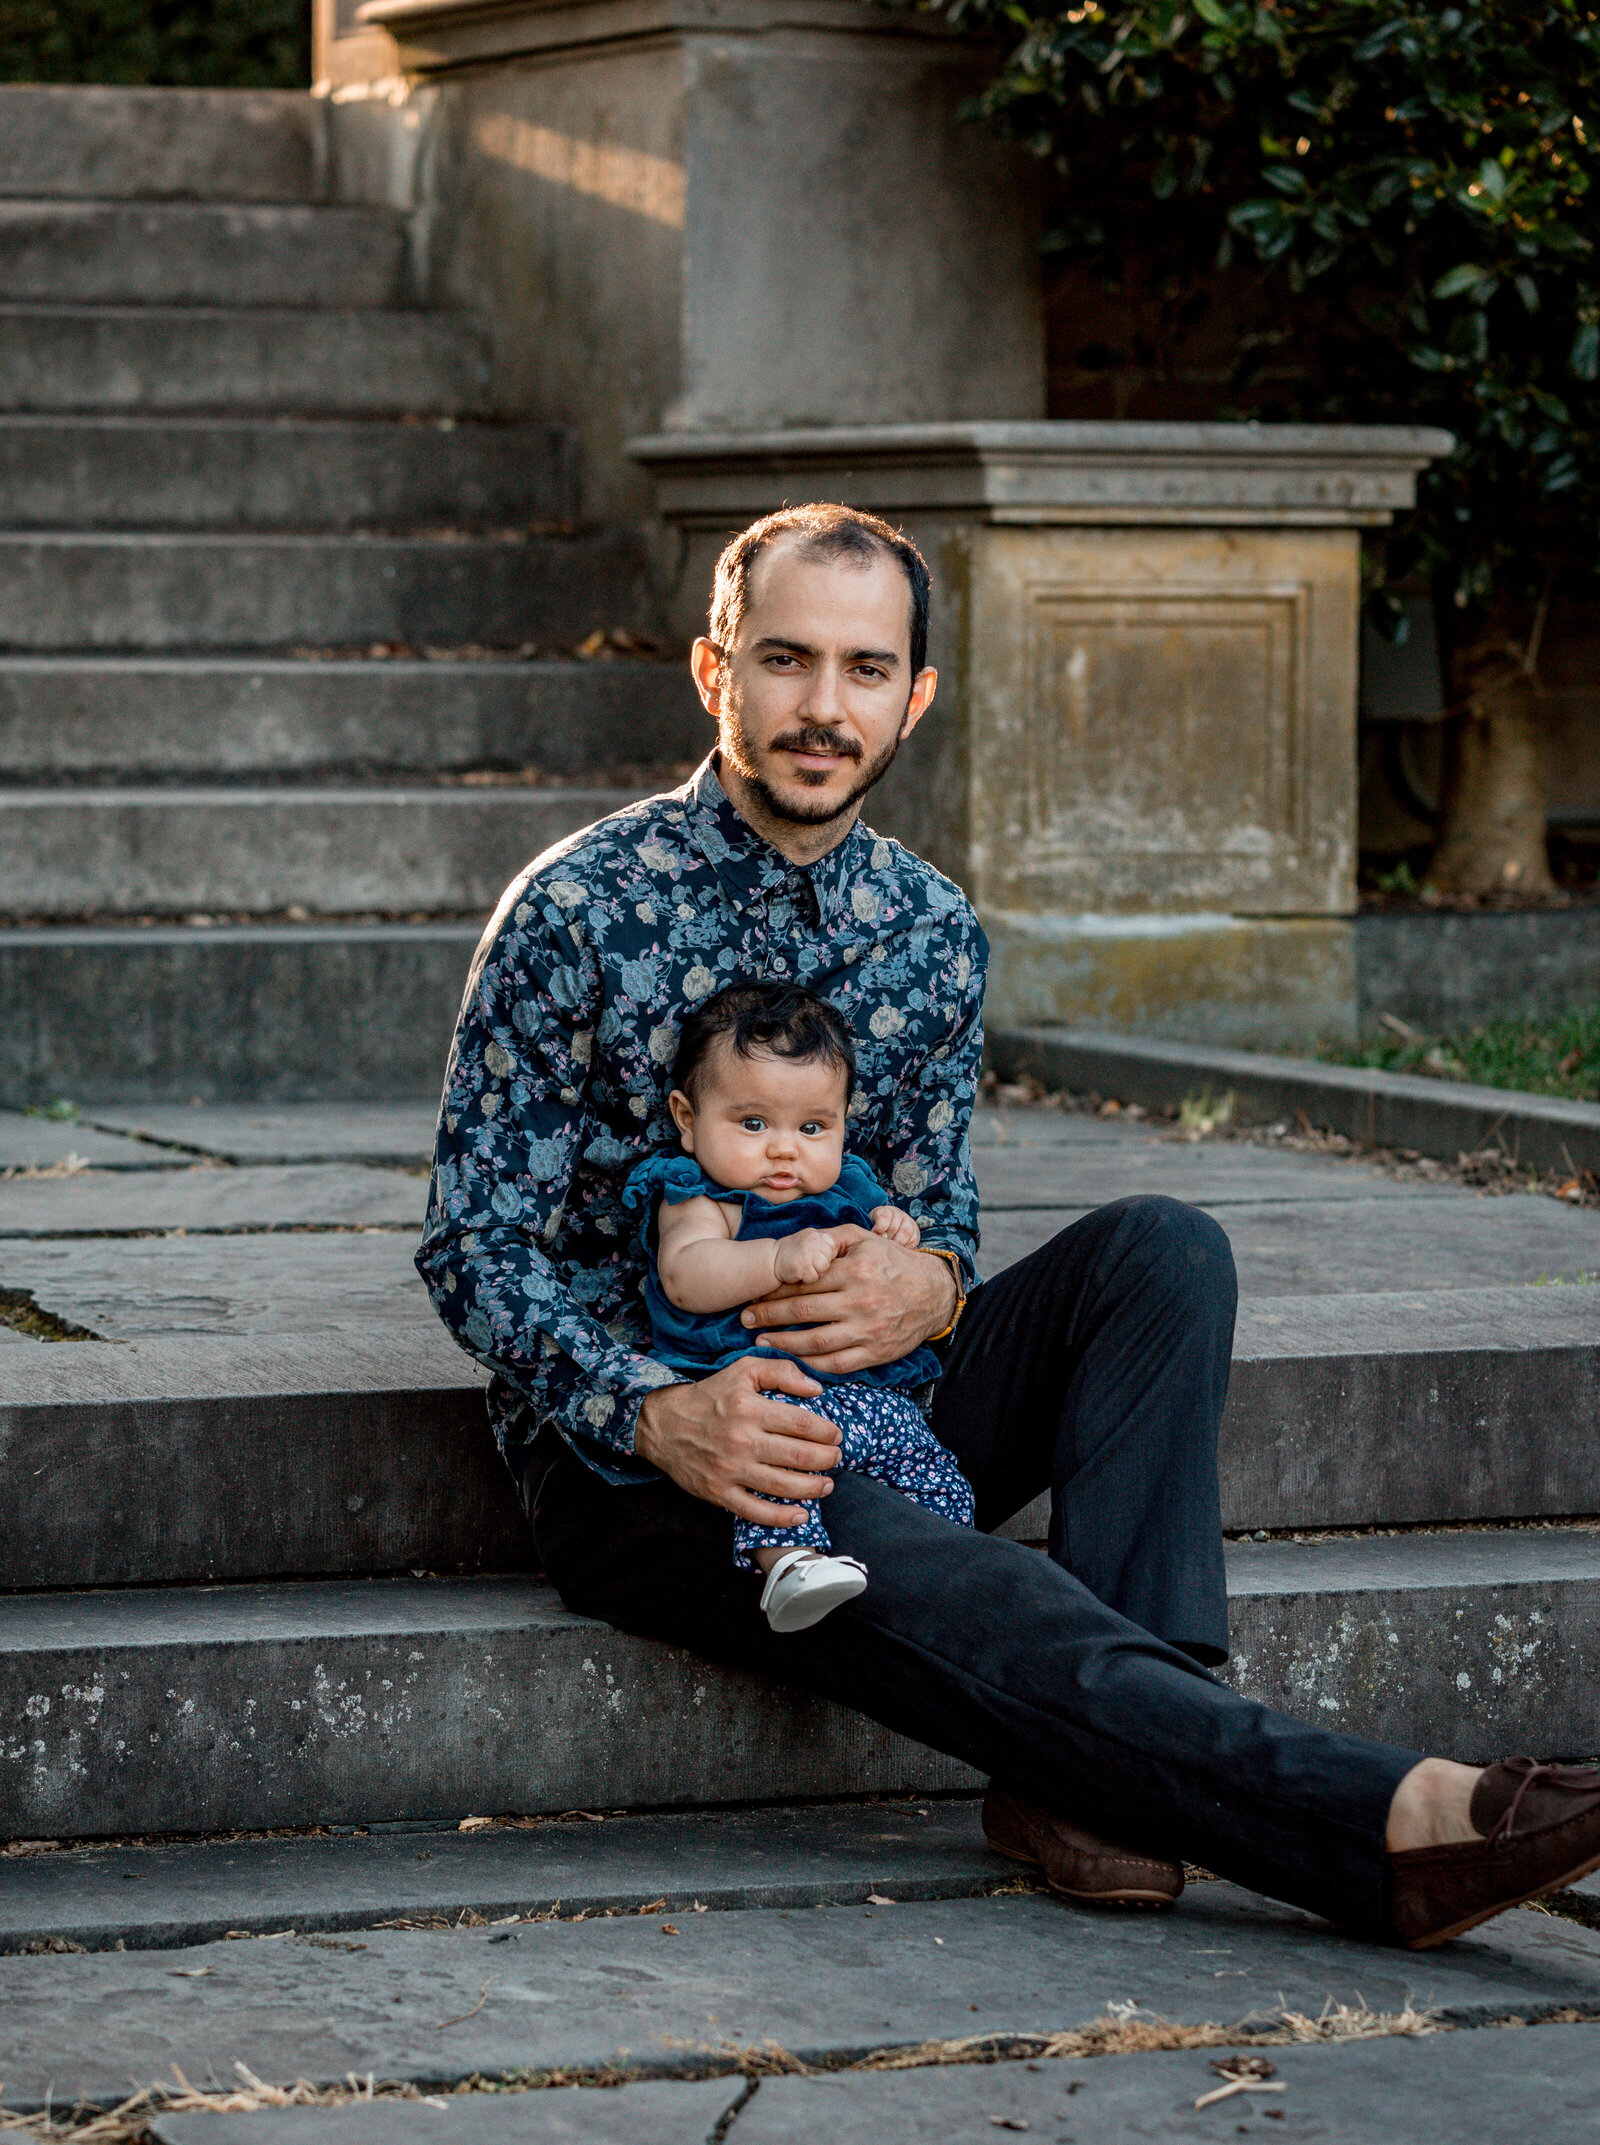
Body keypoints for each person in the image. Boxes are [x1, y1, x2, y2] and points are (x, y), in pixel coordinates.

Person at [418, 500, 1600, 1950]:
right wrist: (657, 1411)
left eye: (864, 671)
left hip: (886, 1395)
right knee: (901, 1552)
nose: (821, 707)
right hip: (661, 1461)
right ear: (714, 673)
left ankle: (1090, 1788)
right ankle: (1385, 1824)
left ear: (913, 699)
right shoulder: (578, 910)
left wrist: (938, 1287)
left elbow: (946, 1209)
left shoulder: (930, 927)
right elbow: (475, 1245)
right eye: (785, 660)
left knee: (1165, 1249)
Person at [620, 977, 975, 1633]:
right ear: (688, 1119)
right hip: (751, 1385)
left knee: (931, 1462)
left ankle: (949, 1552)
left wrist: (896, 1235)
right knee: (773, 1450)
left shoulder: (850, 1183)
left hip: (863, 1398)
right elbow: (686, 1274)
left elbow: (883, 1250)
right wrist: (776, 1260)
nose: (785, 1147)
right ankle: (789, 1562)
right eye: (753, 1123)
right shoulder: (700, 1192)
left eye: (813, 1126)